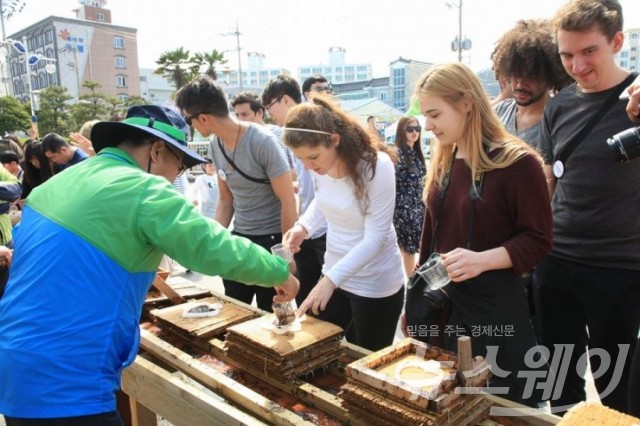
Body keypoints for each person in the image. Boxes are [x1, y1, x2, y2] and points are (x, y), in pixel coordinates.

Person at [0, 105, 298, 425]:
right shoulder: (141, 188)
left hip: (13, 365)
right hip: (68, 378)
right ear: (157, 151)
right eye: (179, 166)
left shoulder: (54, 186)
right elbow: (209, 246)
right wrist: (279, 272)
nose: (175, 177)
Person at [401, 62, 552, 406]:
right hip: (441, 316)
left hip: (494, 315)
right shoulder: (444, 158)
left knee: (502, 409)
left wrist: (481, 260)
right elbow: (429, 242)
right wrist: (414, 304)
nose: (427, 125)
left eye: (435, 114)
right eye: (425, 115)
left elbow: (539, 238)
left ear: (467, 103)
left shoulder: (518, 162)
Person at [535, 0, 640, 415]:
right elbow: (548, 182)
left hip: (619, 269)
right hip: (555, 263)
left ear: (617, 41)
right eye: (567, 55)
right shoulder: (557, 107)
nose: (577, 65)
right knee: (558, 380)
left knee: (617, 390)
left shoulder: (636, 99)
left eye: (589, 51)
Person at [282, 96, 404, 352]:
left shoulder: (375, 166)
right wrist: (303, 226)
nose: (307, 166)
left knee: (367, 361)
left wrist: (329, 280)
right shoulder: (318, 166)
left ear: (334, 140)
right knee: (320, 348)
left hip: (374, 281)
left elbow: (375, 238)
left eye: (312, 157)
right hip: (335, 270)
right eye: (300, 159)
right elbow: (323, 202)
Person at [176, 77, 297, 312]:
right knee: (233, 307)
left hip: (271, 240)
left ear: (203, 118)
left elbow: (288, 201)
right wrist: (215, 239)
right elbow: (226, 198)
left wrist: (285, 256)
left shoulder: (262, 141)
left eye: (188, 119)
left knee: (271, 313)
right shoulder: (215, 144)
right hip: (240, 238)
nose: (191, 126)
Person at [262, 74, 327, 306]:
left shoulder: (316, 127)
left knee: (328, 300)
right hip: (307, 225)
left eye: (270, 106)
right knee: (307, 298)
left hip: (325, 228)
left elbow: (327, 188)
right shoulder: (286, 135)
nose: (270, 114)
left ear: (287, 100)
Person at [492, 19, 573, 149]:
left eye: (531, 76)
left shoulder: (560, 123)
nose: (520, 83)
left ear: (550, 76)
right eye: (516, 74)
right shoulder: (498, 112)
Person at [392, 116, 426, 278]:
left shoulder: (416, 153)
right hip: (403, 210)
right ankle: (411, 283)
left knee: (410, 249)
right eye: (410, 129)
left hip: (417, 207)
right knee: (408, 250)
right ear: (402, 131)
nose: (415, 132)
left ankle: (411, 282)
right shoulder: (397, 154)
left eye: (417, 129)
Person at [230, 90, 295, 171]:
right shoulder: (240, 143)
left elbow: (296, 171)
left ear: (260, 112)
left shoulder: (281, 134)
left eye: (244, 114)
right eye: (237, 115)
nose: (240, 119)